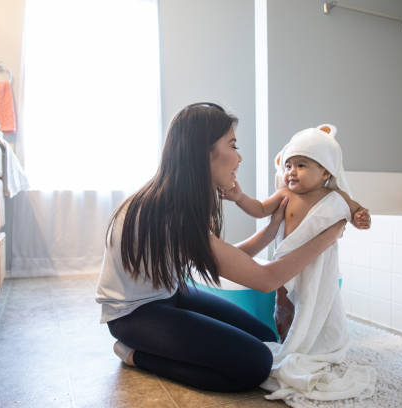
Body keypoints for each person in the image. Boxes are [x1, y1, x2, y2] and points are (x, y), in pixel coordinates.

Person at [95, 103, 348, 393]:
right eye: (233, 145)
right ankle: (135, 355)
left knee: (265, 336)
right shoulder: (170, 210)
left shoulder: (181, 199)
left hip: (170, 293)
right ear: (205, 152)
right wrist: (328, 236)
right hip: (135, 315)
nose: (239, 157)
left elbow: (226, 259)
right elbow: (266, 280)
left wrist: (272, 227)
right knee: (255, 364)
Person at [220, 124, 370, 341]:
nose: (291, 171)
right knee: (284, 301)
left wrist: (362, 218)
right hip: (287, 263)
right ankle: (286, 339)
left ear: (325, 171)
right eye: (288, 165)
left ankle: (312, 339)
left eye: (301, 165)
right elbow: (260, 209)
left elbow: (356, 211)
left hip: (316, 264)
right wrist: (239, 198)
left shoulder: (335, 196)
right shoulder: (285, 194)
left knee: (318, 304)